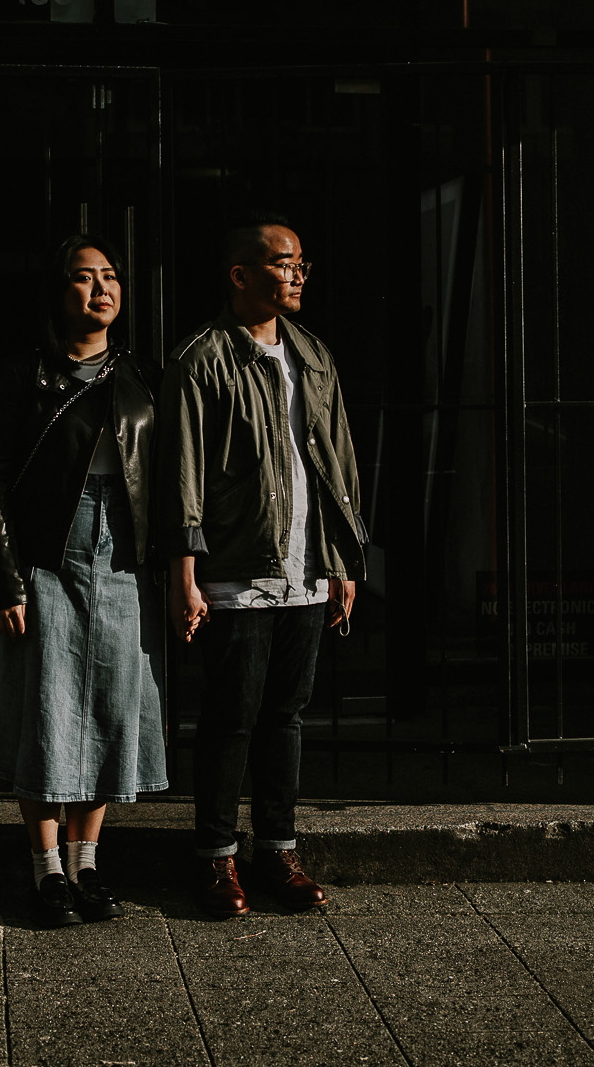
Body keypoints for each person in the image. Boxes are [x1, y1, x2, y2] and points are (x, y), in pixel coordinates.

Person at [157, 215, 365, 917]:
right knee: (230, 718)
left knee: (287, 716)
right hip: (238, 573)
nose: (298, 273)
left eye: (302, 262)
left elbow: (339, 465)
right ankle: (216, 859)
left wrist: (343, 561)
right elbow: (181, 473)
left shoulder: (312, 355)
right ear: (241, 274)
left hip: (306, 569)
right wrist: (184, 574)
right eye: (283, 262)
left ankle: (277, 850)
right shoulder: (202, 358)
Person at [0, 234, 165, 927]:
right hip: (46, 549)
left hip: (118, 552)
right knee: (45, 707)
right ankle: (46, 866)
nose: (102, 288)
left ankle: (89, 860)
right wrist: (5, 579)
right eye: (84, 277)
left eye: (110, 277)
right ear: (58, 293)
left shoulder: (138, 377)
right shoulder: (25, 375)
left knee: (108, 703)